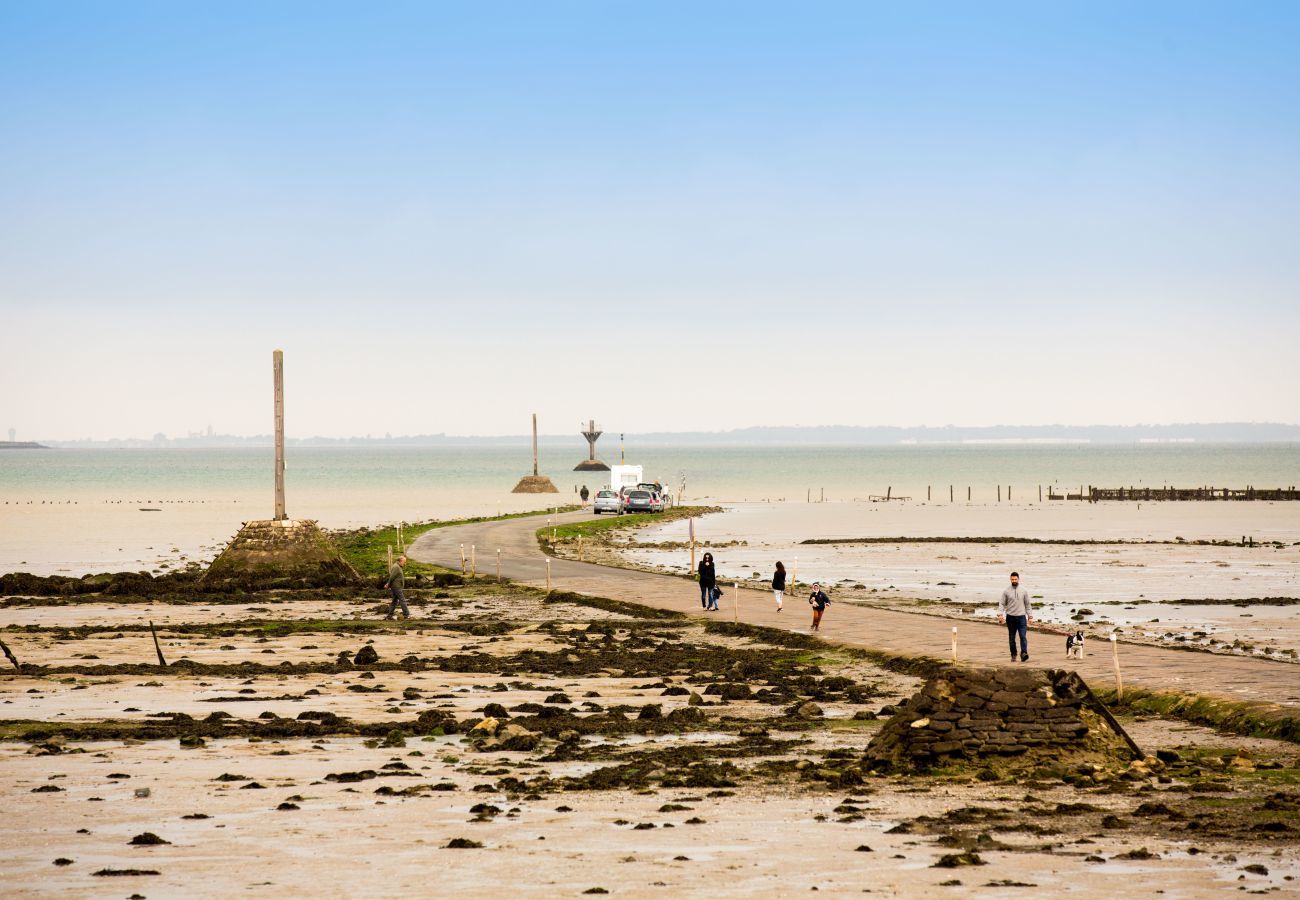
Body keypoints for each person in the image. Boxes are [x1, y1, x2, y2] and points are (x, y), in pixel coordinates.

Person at [997, 571, 1033, 662]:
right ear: (1010, 579)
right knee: (1012, 638)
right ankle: (1013, 654)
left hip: (1021, 618)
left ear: (1018, 579)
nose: (1014, 580)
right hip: (1010, 618)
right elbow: (1002, 603)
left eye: (1015, 579)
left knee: (1023, 637)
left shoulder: (1024, 591)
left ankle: (1024, 653)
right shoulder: (1006, 591)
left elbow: (1028, 604)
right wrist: (1000, 614)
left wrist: (1030, 616)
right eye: (1012, 579)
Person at [384, 555, 409, 620]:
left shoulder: (398, 566)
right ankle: (406, 614)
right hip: (396, 587)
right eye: (404, 562)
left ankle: (389, 615)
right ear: (401, 561)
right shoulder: (396, 567)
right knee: (402, 600)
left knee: (394, 601)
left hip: (396, 586)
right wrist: (388, 584)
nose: (405, 563)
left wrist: (388, 584)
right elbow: (392, 577)